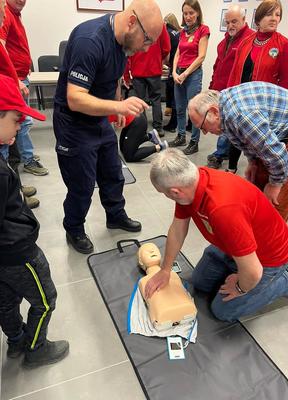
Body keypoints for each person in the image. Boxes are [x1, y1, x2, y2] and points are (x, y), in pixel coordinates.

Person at [53, 0, 163, 254]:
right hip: (74, 124)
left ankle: (115, 215)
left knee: (113, 172)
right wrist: (117, 108)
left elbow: (112, 77)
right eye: (147, 40)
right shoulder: (89, 41)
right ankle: (74, 228)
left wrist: (117, 103)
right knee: (82, 183)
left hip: (99, 119)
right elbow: (75, 98)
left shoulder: (123, 42)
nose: (146, 49)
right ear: (132, 22)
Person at [144, 148, 288, 322]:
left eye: (165, 194)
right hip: (231, 245)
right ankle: (236, 266)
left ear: (174, 192)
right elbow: (178, 229)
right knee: (200, 283)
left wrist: (241, 287)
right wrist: (165, 269)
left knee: (223, 311)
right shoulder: (191, 183)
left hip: (268, 258)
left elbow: (254, 272)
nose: (167, 197)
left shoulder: (223, 210)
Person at [0, 74, 69, 367]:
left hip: (3, 257)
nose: (21, 124)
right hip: (18, 252)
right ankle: (36, 347)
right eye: (16, 119)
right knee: (45, 300)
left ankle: (15, 342)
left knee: (6, 301)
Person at [188, 82, 288, 221]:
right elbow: (246, 140)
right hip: (282, 133)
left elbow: (276, 154)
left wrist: (275, 184)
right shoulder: (224, 111)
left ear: (214, 112)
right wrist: (253, 162)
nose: (205, 133)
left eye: (203, 127)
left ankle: (271, 236)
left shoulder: (240, 115)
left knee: (276, 205)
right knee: (258, 187)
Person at [226, 0, 288, 173]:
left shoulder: (283, 44)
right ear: (259, 18)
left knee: (259, 145)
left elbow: (284, 81)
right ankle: (231, 168)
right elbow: (234, 72)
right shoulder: (246, 41)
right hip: (241, 101)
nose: (274, 19)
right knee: (237, 137)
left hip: (265, 106)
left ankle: (260, 176)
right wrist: (227, 96)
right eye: (270, 14)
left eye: (277, 15)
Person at [0, 0, 48, 176]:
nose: (22, 0)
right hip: (13, 81)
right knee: (16, 125)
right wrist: (16, 80)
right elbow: (0, 47)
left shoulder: (14, 15)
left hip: (19, 78)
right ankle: (20, 166)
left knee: (18, 125)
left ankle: (13, 173)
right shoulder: (6, 15)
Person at [207, 5, 253, 170]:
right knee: (225, 124)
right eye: (228, 22)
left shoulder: (250, 40)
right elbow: (217, 66)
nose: (230, 25)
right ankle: (225, 151)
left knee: (227, 124)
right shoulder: (225, 41)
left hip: (236, 92)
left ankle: (219, 154)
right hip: (221, 90)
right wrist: (212, 87)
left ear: (243, 20)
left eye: (234, 21)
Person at [169, 0, 210, 155]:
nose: (188, 16)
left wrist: (186, 73)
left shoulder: (203, 30)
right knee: (179, 108)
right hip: (179, 73)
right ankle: (181, 136)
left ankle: (194, 142)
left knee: (194, 110)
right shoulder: (182, 32)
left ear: (197, 13)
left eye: (191, 13)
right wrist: (174, 72)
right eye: (185, 13)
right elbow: (178, 53)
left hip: (192, 75)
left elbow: (201, 56)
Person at [124, 23, 170, 136]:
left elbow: (127, 51)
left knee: (140, 101)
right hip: (154, 68)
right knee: (156, 99)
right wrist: (159, 60)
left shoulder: (132, 25)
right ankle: (158, 128)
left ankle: (142, 129)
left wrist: (126, 74)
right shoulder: (160, 25)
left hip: (137, 69)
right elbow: (166, 47)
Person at [138, 242, 197, 328]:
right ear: (140, 260)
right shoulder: (143, 281)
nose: (151, 251)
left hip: (185, 311)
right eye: (147, 251)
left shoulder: (172, 274)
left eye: (155, 250)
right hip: (164, 316)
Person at [162, 13, 181, 133]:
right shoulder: (180, 33)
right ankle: (183, 122)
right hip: (181, 66)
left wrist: (166, 64)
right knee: (179, 96)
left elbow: (166, 52)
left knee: (173, 94)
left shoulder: (167, 32)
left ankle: (173, 124)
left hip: (173, 66)